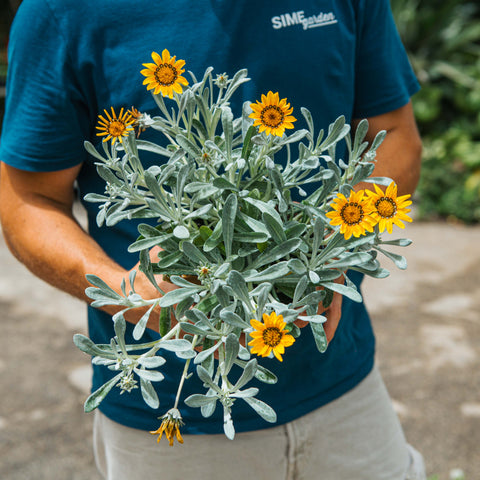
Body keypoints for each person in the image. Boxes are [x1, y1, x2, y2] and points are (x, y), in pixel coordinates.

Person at [0, 0, 426, 479]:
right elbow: (29, 201)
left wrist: (329, 242)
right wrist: (130, 296)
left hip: (341, 380)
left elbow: (394, 134)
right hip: (172, 399)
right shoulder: (63, 11)